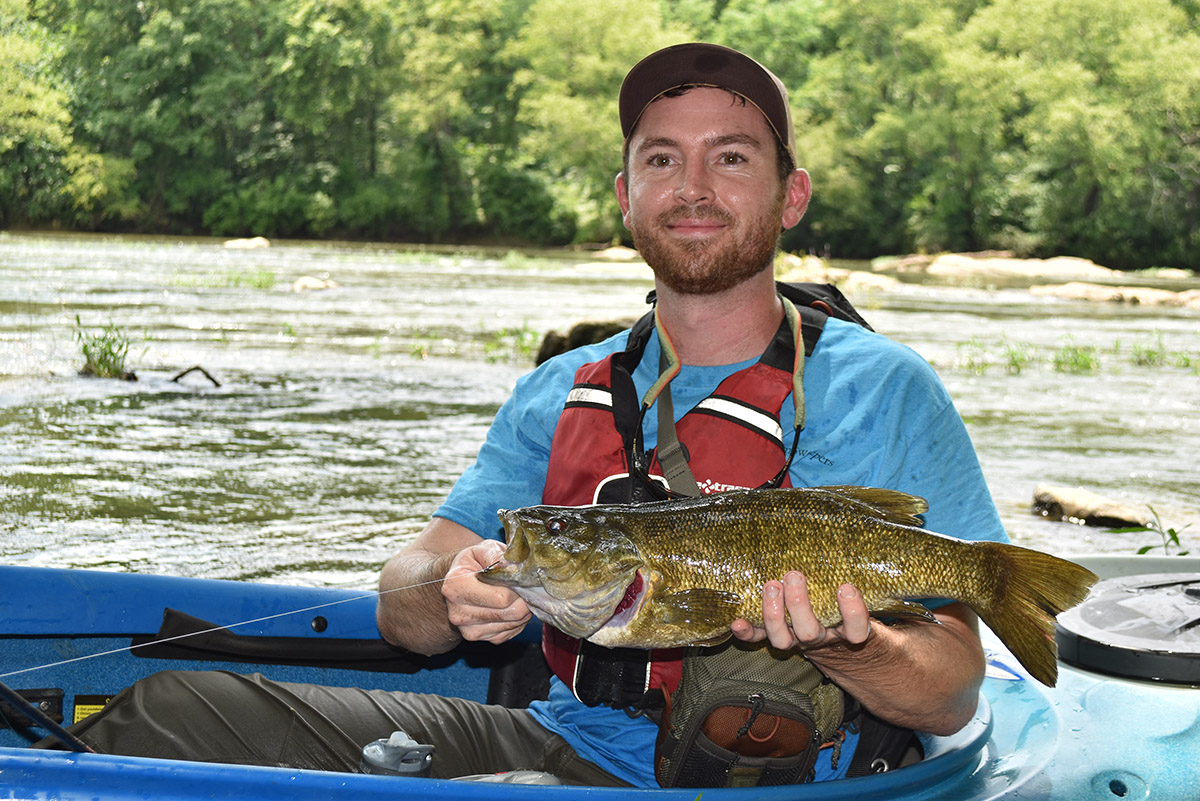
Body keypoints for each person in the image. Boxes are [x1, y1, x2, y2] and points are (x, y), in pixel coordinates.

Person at [51, 42, 1006, 787]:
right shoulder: (562, 388)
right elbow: (405, 595)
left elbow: (955, 687)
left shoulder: (887, 388)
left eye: (733, 157)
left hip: (794, 782)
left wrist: (856, 643)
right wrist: (449, 591)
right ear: (626, 197)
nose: (694, 188)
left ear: (790, 195)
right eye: (661, 159)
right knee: (169, 705)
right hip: (564, 752)